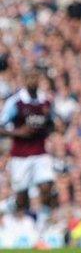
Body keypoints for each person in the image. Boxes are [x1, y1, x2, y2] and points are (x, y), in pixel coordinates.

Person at [0, 68, 57, 247]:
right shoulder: (15, 102)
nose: (33, 80)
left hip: (40, 153)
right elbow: (1, 126)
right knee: (21, 200)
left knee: (47, 187)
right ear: (24, 79)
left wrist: (49, 127)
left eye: (35, 77)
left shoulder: (46, 101)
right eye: (29, 77)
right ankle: (3, 208)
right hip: (20, 156)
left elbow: (52, 123)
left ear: (39, 79)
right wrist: (19, 132)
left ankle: (39, 237)